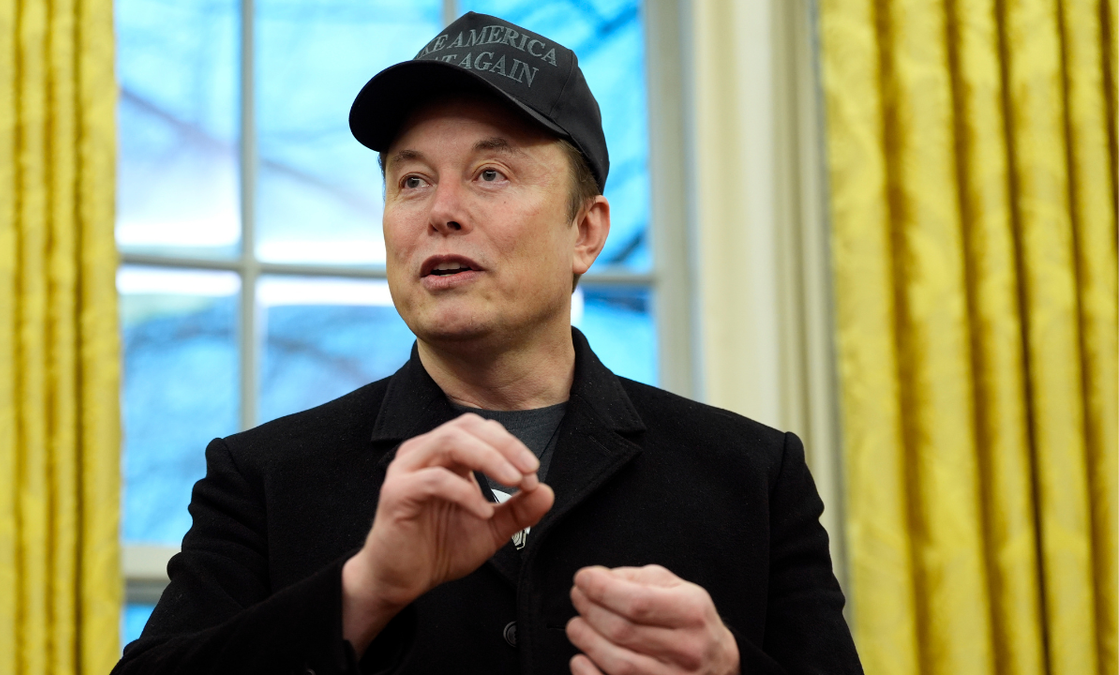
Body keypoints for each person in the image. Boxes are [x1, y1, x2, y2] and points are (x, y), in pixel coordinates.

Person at [112, 12, 862, 675]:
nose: (441, 211)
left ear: (586, 230)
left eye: (490, 173)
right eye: (410, 181)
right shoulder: (262, 480)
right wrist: (363, 591)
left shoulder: (754, 477)